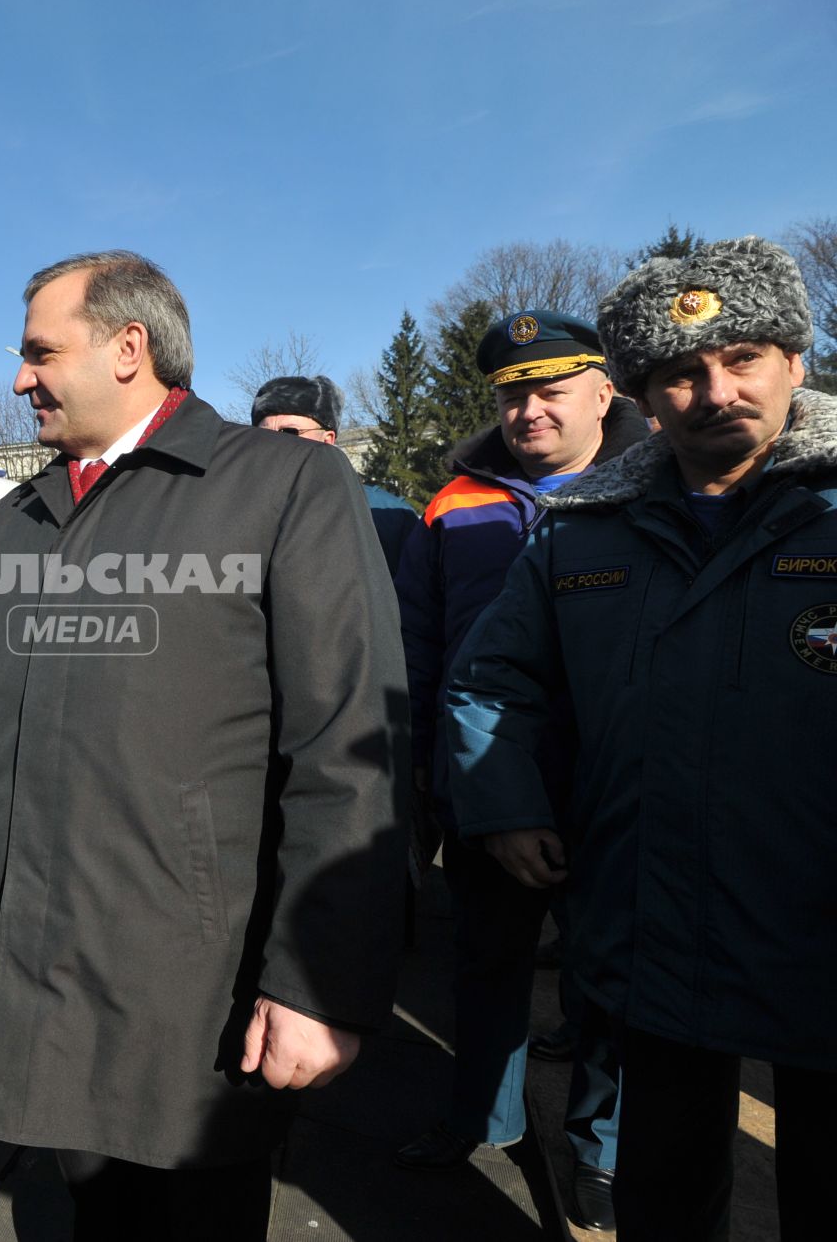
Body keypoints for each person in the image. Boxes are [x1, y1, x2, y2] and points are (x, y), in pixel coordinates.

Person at [0, 250, 408, 1239]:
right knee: (93, 1214)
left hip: (194, 983)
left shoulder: (282, 484)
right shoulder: (30, 514)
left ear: (128, 347)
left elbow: (350, 740)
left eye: (39, 352)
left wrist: (317, 979)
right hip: (48, 967)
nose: (21, 378)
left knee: (189, 1215)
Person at [447, 237, 837, 1240]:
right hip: (654, 922)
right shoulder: (581, 528)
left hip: (819, 928)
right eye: (680, 371)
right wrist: (508, 802)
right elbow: (495, 676)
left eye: (743, 357)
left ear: (796, 359)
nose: (716, 389)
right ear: (643, 394)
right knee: (665, 1199)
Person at [391, 310, 641, 1230]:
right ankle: (481, 1121)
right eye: (512, 393)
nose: (529, 409)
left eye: (551, 389)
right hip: (484, 786)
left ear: (604, 392)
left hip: (612, 790)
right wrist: (418, 773)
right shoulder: (453, 502)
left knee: (611, 984)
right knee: (485, 966)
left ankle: (600, 1153)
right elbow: (417, 649)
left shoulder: (648, 490)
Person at [251, 374, 419, 574]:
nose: (274, 444)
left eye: (290, 432)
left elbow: (413, 597)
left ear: (327, 440)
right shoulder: (241, 510)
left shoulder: (389, 515)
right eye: (264, 435)